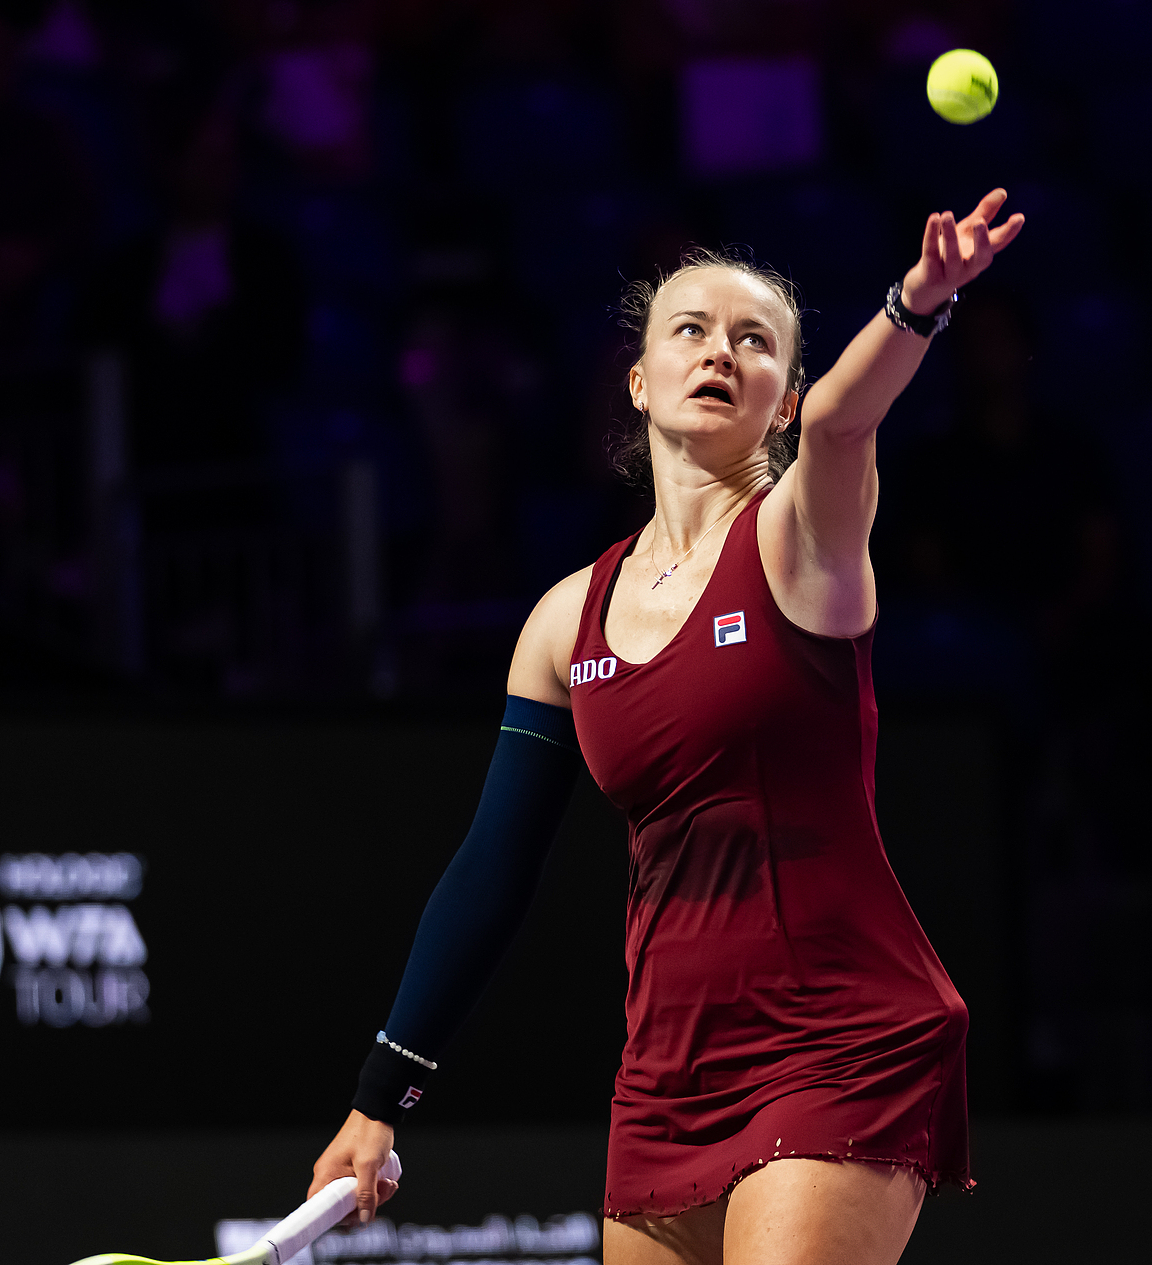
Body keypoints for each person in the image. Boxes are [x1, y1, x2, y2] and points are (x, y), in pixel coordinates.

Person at [306, 189, 1026, 1264]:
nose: (720, 351)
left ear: (779, 400)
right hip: (667, 1070)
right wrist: (379, 1097)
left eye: (755, 342)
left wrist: (916, 304)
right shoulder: (564, 619)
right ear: (638, 380)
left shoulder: (803, 541)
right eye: (689, 329)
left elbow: (844, 423)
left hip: (839, 1038)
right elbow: (491, 867)